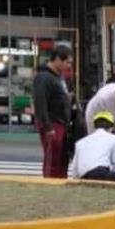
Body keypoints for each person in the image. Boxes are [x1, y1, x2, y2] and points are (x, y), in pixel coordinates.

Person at [32, 44, 73, 178]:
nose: (68, 66)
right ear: (57, 59)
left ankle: (60, 181)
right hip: (53, 123)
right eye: (67, 62)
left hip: (61, 123)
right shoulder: (43, 77)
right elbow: (40, 103)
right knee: (53, 159)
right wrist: (48, 126)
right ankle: (50, 183)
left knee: (61, 158)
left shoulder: (58, 77)